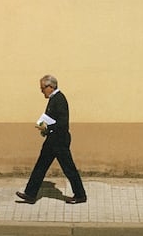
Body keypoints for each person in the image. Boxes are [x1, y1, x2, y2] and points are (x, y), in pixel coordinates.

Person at [16, 74, 87, 204]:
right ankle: (30, 194)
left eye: (43, 88)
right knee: (40, 167)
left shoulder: (59, 99)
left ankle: (80, 195)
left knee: (69, 168)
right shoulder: (54, 98)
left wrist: (48, 128)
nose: (42, 90)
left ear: (51, 86)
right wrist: (45, 129)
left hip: (59, 141)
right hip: (52, 140)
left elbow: (63, 123)